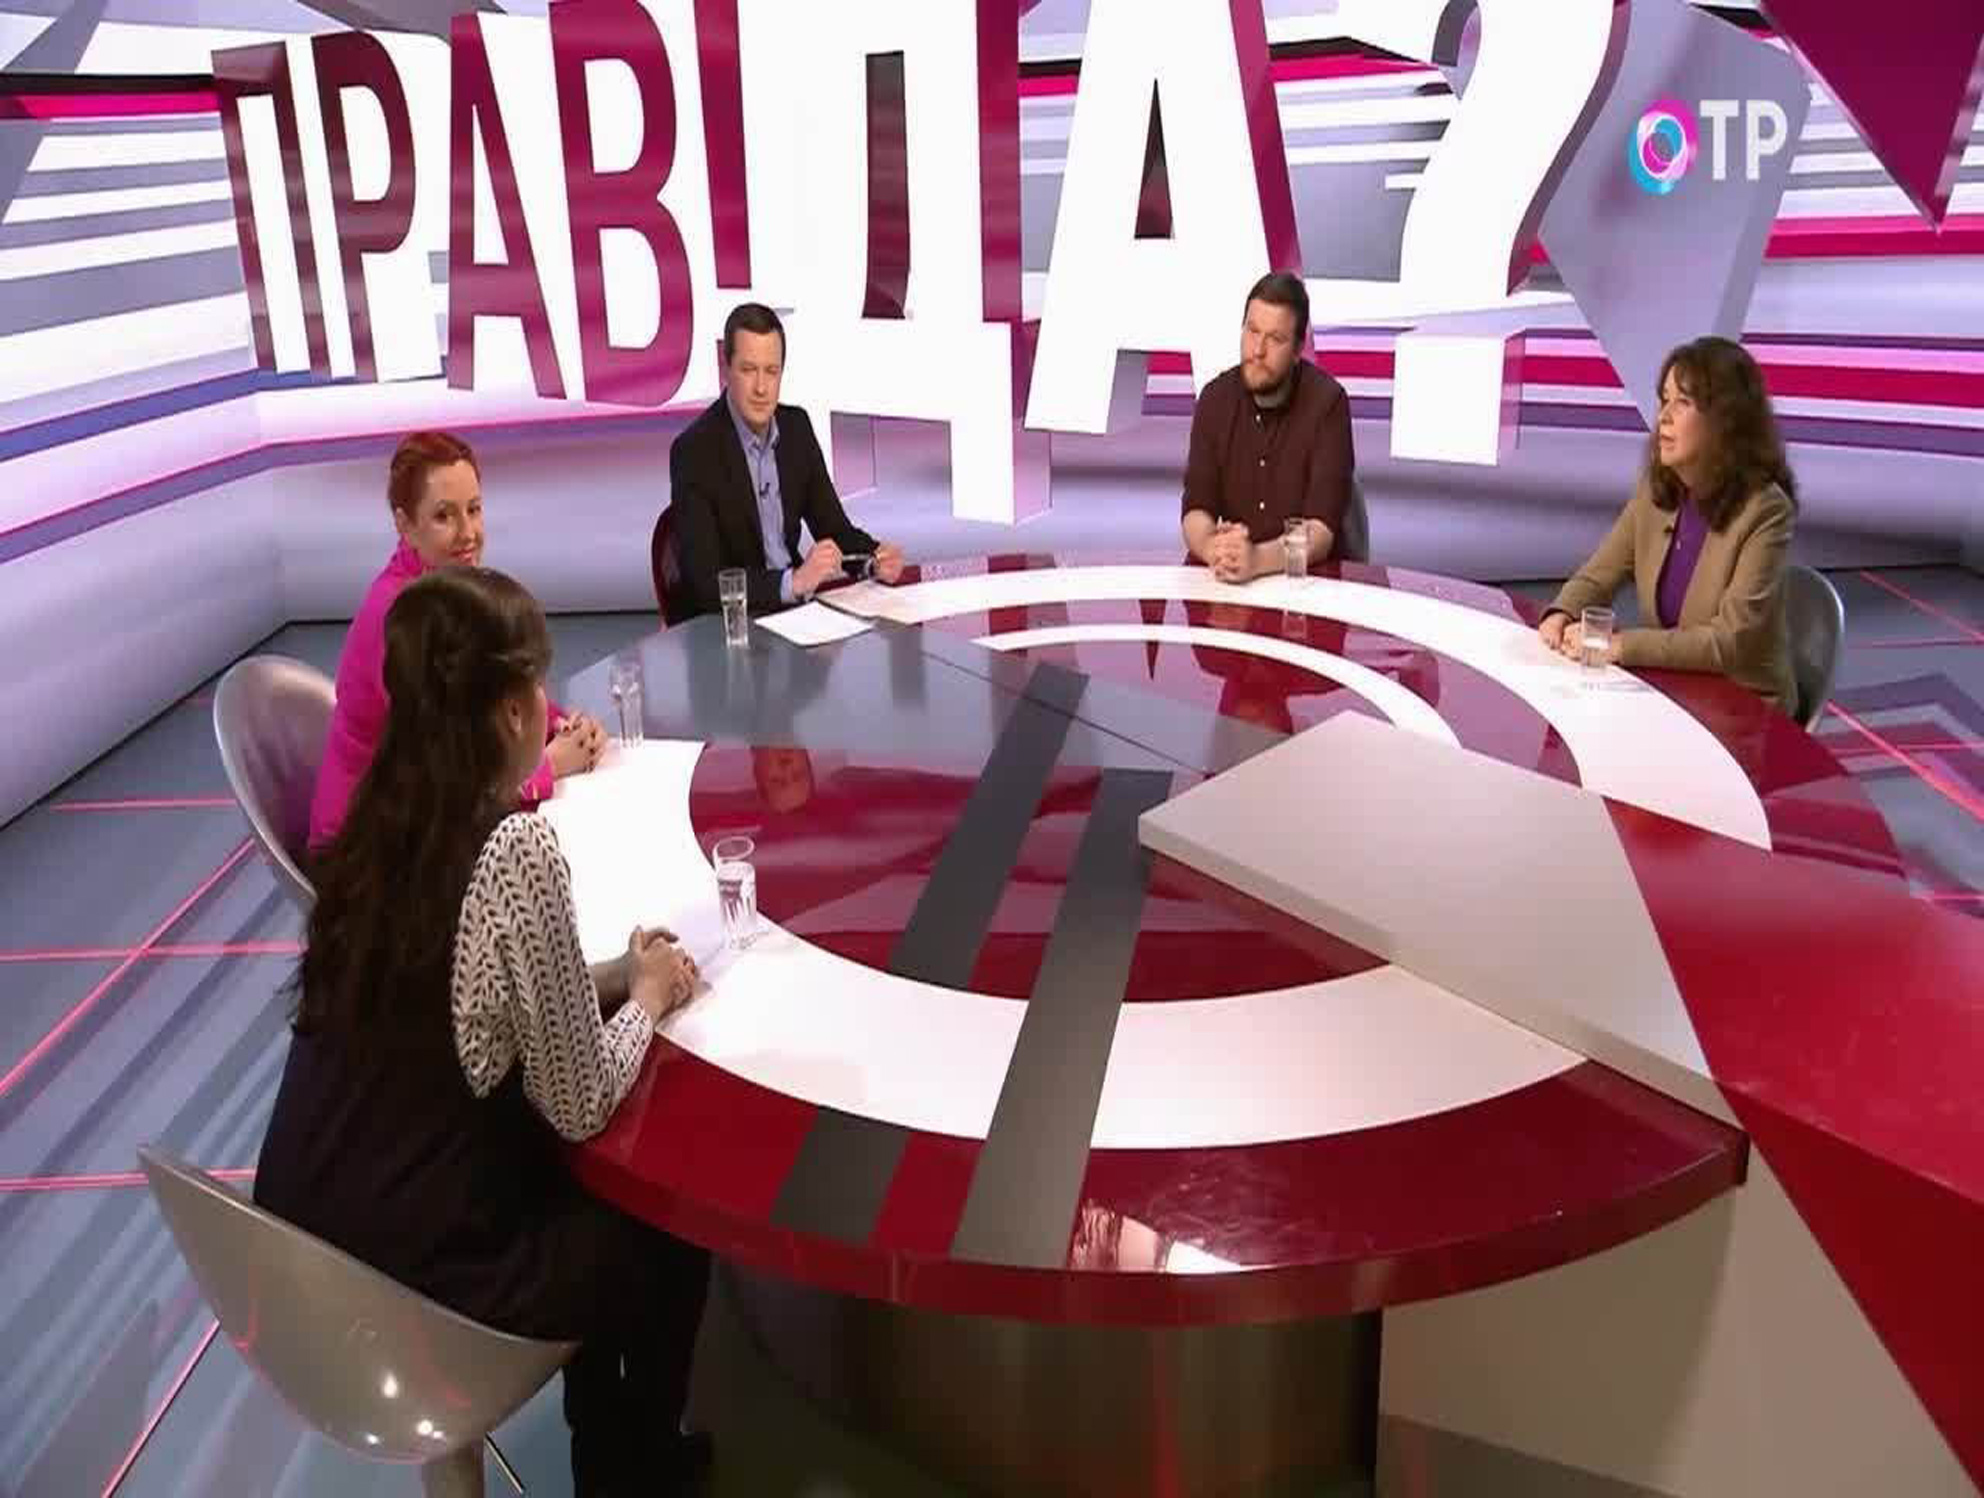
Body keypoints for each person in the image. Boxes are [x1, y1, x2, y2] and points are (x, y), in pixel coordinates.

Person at [257, 567, 711, 1498]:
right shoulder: (513, 847)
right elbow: (579, 1101)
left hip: (292, 1260)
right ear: (509, 713)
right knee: (664, 1217)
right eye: (537, 687)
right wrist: (650, 999)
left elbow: (472, 995)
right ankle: (632, 1470)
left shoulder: (374, 828)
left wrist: (611, 973)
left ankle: (608, 1454)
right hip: (416, 1287)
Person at [308, 431, 605, 848]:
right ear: (404, 525)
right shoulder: (399, 618)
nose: (468, 533)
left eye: (474, 509)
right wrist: (547, 766)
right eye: (444, 516)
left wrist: (562, 726)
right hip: (367, 851)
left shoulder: (453, 590)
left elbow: (500, 692)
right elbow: (447, 777)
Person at [1539, 336, 1798, 711]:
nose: (1664, 416)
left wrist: (1621, 645)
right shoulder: (1655, 492)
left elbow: (1730, 642)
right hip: (1675, 692)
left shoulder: (1765, 511)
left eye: (1683, 402)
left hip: (1745, 705)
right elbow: (1597, 577)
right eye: (1664, 400)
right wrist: (1561, 613)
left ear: (1725, 421)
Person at [663, 303, 905, 623]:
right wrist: (792, 583)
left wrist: (874, 559)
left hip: (797, 616)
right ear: (726, 369)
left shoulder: (796, 429)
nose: (761, 388)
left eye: (771, 371)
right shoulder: (694, 452)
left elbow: (834, 529)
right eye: (748, 370)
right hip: (734, 625)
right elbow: (706, 584)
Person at [1181, 272, 1356, 582]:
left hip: (1307, 584)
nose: (1258, 350)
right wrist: (1214, 549)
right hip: (1232, 581)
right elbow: (1196, 509)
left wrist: (1256, 559)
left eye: (1275, 339)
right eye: (1252, 331)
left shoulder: (1328, 404)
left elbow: (1321, 531)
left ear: (1298, 349)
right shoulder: (1214, 399)